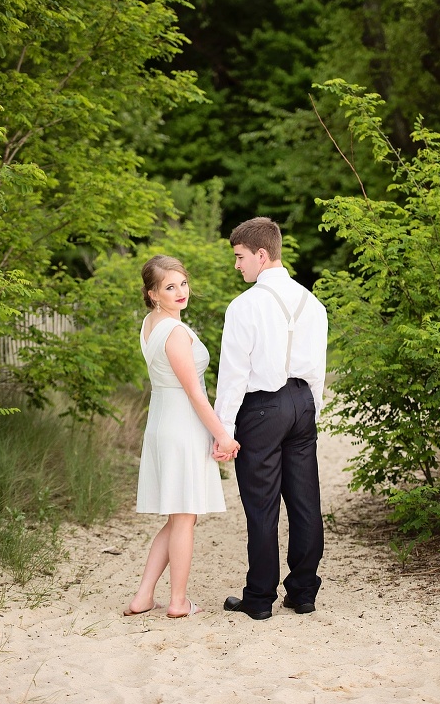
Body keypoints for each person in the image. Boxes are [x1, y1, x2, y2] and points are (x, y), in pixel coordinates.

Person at [214, 217, 328, 621]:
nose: (237, 265)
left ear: (262, 255)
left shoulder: (245, 305)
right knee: (304, 502)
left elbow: (233, 374)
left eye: (240, 257)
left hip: (262, 407)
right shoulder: (312, 303)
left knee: (261, 506)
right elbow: (317, 369)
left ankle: (260, 599)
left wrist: (223, 430)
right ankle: (302, 593)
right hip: (302, 404)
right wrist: (307, 410)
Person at [124, 255, 240, 620]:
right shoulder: (174, 332)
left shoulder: (151, 323)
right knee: (185, 517)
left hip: (164, 421)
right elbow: (194, 392)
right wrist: (222, 435)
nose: (179, 292)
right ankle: (177, 601)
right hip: (181, 426)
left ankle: (143, 596)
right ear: (152, 293)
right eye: (169, 287)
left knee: (178, 517)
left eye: (182, 284)